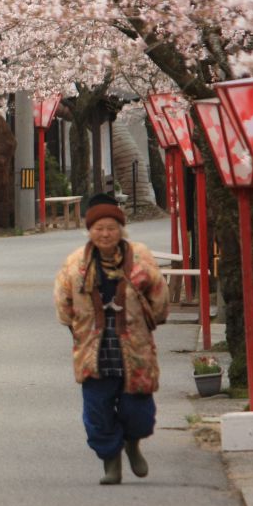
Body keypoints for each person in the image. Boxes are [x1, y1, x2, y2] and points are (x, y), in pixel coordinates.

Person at [54, 193, 169, 485]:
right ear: (89, 231)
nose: (105, 234)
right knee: (98, 410)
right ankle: (111, 462)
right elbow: (63, 302)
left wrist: (150, 320)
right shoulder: (75, 264)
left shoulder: (139, 257)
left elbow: (159, 294)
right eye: (99, 228)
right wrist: (78, 328)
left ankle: (132, 443)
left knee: (139, 409)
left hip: (134, 346)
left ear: (121, 230)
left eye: (111, 228)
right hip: (95, 348)